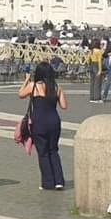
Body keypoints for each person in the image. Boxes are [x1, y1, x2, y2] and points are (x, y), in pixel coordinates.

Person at [18, 62, 68, 190]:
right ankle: (59, 181)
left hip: (39, 122)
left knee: (43, 152)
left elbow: (20, 94)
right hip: (54, 121)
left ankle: (48, 182)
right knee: (53, 150)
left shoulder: (33, 86)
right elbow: (64, 106)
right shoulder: (57, 87)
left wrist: (26, 80)